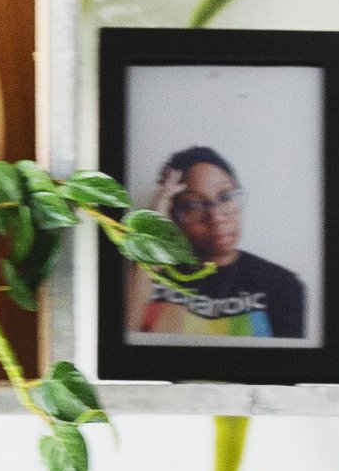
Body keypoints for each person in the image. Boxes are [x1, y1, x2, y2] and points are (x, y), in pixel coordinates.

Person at [130, 143, 308, 341]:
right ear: (173, 215)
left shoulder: (283, 285)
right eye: (194, 205)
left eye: (225, 196)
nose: (216, 217)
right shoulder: (143, 278)